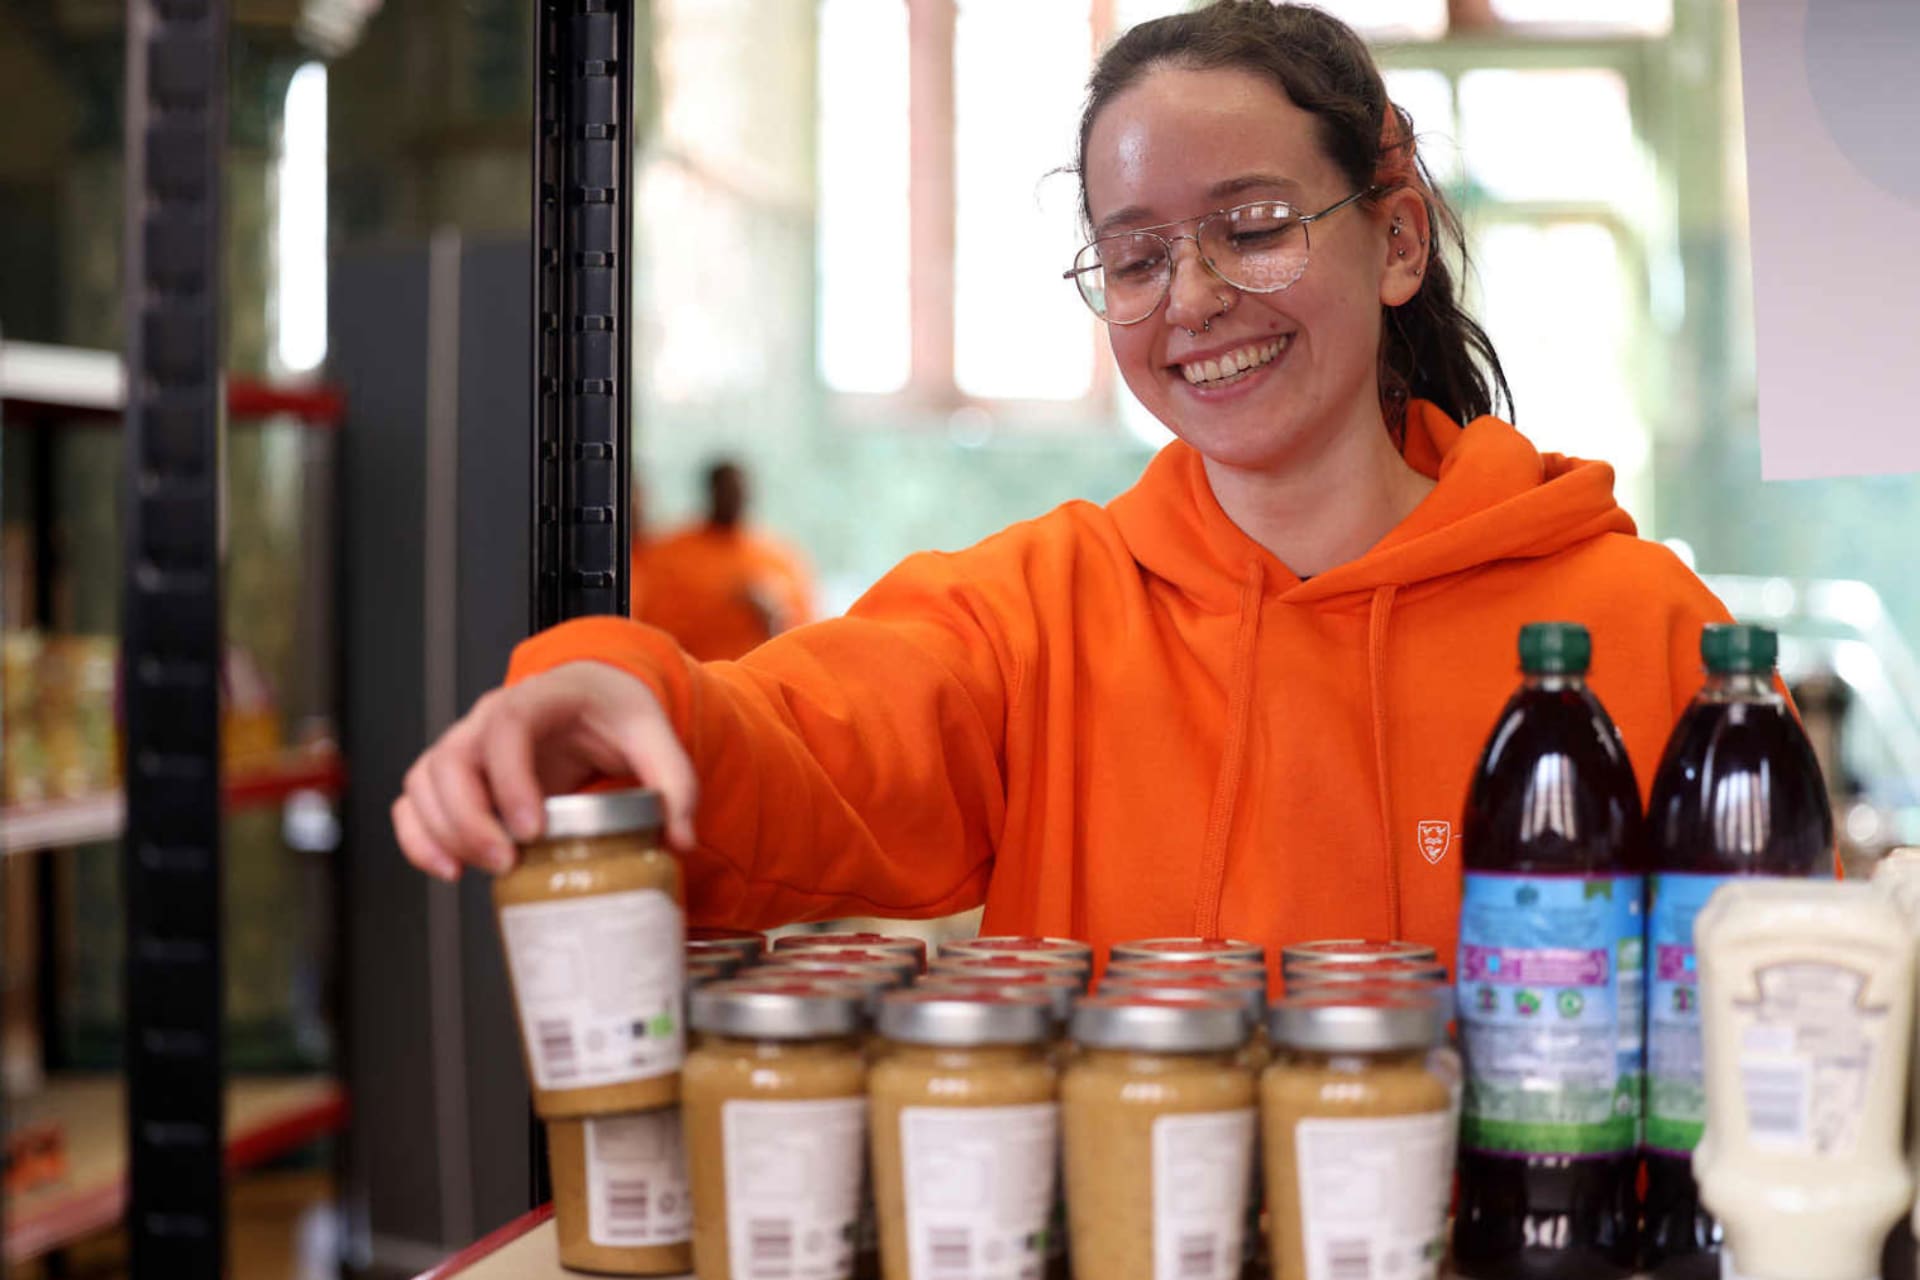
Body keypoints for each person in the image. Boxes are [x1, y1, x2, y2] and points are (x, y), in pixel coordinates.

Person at [392, 1, 1726, 970]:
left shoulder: (1641, 625)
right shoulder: (1040, 618)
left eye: (1252, 227)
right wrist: (615, 690)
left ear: (1394, 241)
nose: (1194, 298)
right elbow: (809, 741)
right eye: (1136, 257)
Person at [627, 459, 815, 662]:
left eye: (739, 491)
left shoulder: (780, 557)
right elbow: (648, 621)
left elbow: (802, 637)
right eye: (726, 490)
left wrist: (773, 616)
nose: (733, 498)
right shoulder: (669, 552)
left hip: (756, 682)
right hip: (689, 678)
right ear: (710, 492)